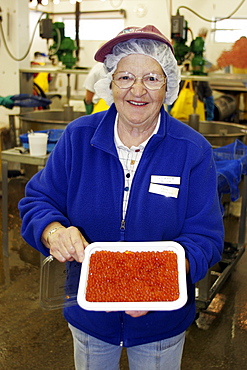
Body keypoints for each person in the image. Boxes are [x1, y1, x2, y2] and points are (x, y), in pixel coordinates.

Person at [19, 25, 224, 370]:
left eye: (152, 79)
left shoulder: (192, 151)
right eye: (126, 77)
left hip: (161, 320)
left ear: (168, 86)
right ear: (109, 82)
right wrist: (53, 232)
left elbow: (206, 238)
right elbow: (37, 201)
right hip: (89, 311)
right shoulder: (78, 137)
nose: (137, 90)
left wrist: (157, 283)